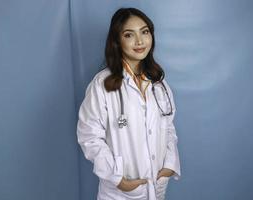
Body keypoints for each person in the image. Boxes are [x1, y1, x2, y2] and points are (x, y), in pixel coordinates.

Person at [77, 7, 181, 200]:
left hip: (155, 187)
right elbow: (89, 137)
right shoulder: (102, 85)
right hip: (120, 192)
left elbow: (168, 127)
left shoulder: (159, 84)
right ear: (117, 41)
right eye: (129, 35)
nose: (140, 41)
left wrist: (168, 166)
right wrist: (118, 179)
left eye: (145, 32)